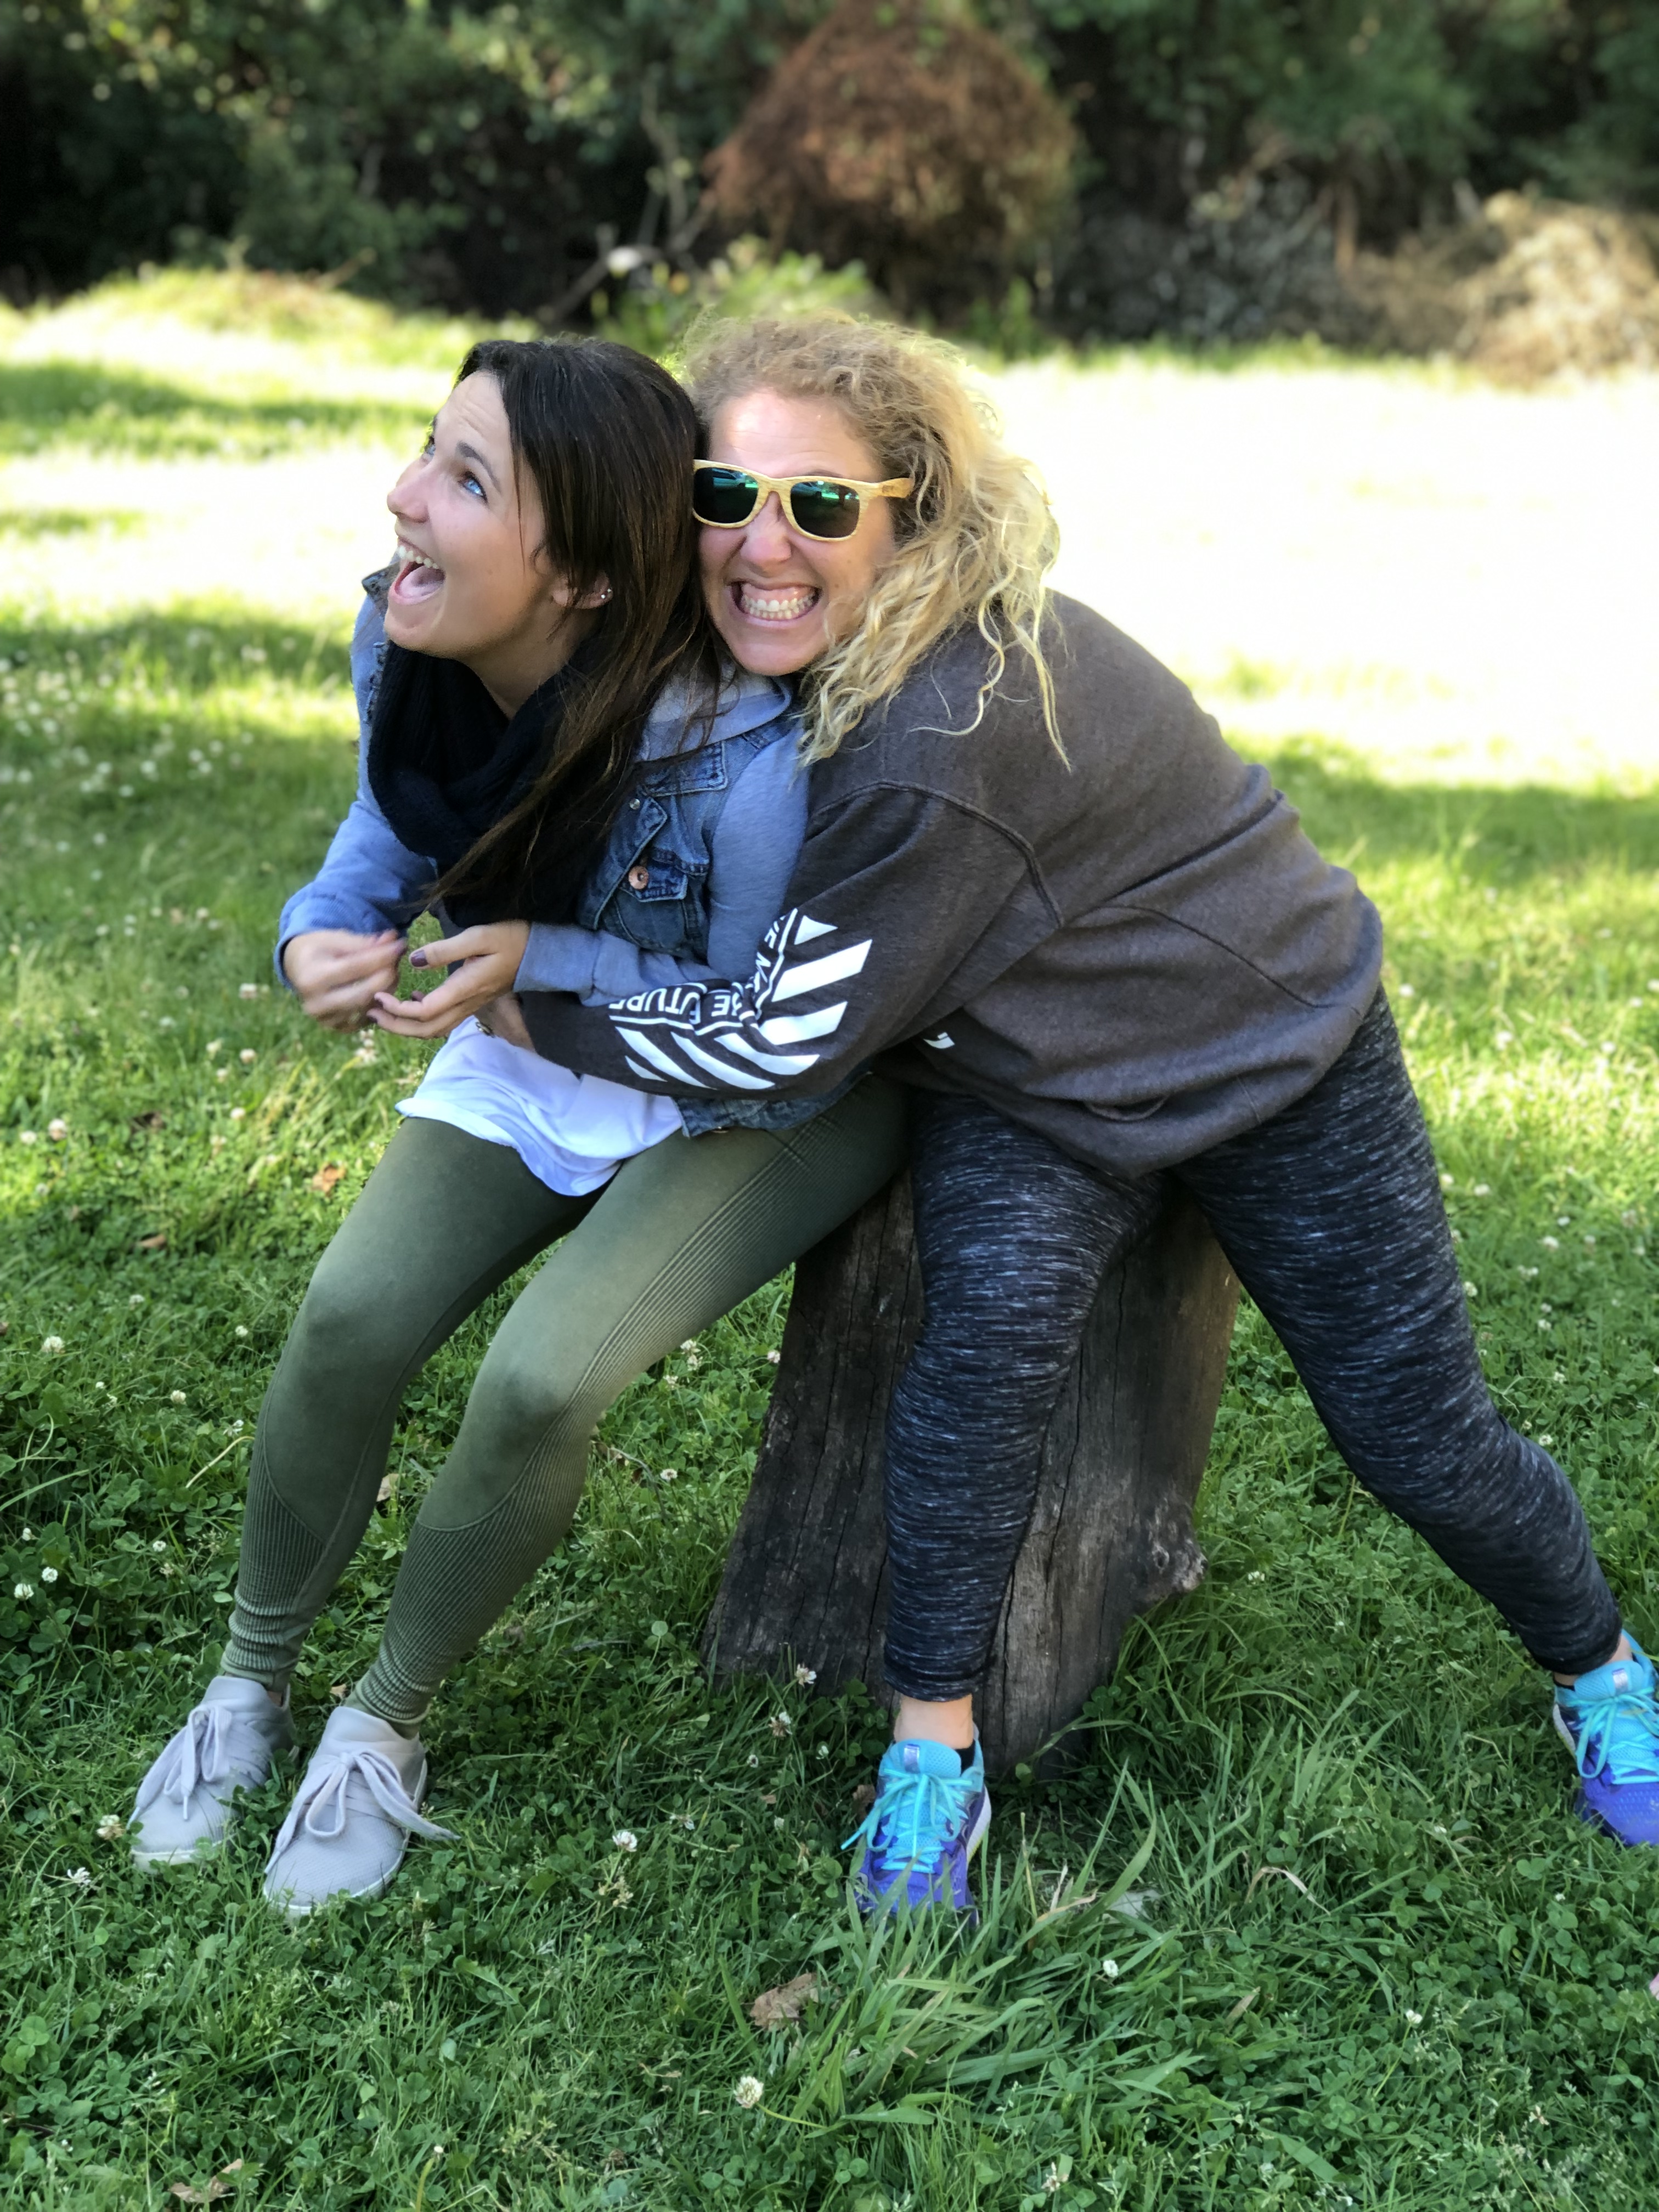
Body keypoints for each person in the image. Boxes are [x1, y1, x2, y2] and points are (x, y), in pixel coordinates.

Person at [509, 313, 1659, 1914]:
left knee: (1413, 1427)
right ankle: (934, 1750)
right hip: (1025, 1071)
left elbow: (780, 1044)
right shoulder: (765, 667)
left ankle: (1603, 1667)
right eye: (723, 495)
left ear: (912, 513)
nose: (763, 545)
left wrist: (528, 999)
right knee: (975, 1365)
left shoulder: (938, 725)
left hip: (1266, 1049)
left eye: (820, 505)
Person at [127, 335, 908, 1914]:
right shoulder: (405, 638)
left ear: (585, 579)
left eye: (465, 480)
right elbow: (387, 824)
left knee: (544, 1378)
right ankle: (247, 1689)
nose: (404, 497)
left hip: (743, 1080)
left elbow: (742, 1003)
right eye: (431, 450)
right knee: (349, 1317)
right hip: (534, 1030)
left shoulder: (739, 757)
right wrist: (317, 932)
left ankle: (380, 1725)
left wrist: (541, 958)